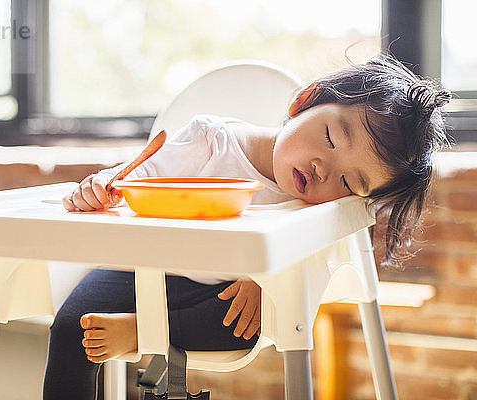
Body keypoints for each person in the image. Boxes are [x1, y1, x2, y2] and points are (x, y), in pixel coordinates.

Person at [43, 54, 451, 399]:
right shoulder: (209, 140)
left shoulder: (323, 208)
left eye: (349, 182)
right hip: (140, 270)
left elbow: (314, 267)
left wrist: (267, 278)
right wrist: (106, 185)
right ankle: (146, 327)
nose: (323, 170)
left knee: (245, 325)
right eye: (328, 137)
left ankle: (141, 331)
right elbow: (140, 177)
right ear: (304, 102)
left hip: (220, 294)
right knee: (72, 327)